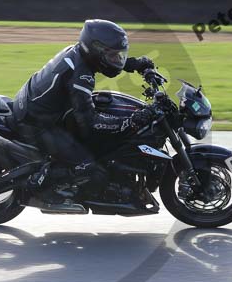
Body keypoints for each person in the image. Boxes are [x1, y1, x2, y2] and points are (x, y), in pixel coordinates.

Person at [12, 19, 155, 200]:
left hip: (42, 108)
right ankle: (40, 185)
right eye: (113, 55)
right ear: (95, 50)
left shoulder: (80, 54)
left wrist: (137, 64)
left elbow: (107, 61)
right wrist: (129, 122)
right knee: (88, 167)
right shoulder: (81, 76)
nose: (117, 59)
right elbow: (90, 122)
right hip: (37, 122)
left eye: (119, 54)